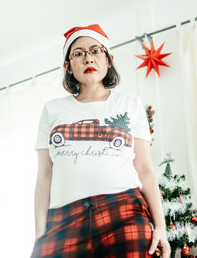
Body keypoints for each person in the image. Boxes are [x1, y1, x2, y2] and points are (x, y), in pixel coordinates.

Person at [30, 24, 171, 258]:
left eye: (96, 51)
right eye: (78, 53)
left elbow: (145, 168)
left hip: (124, 211)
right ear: (68, 66)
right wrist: (39, 234)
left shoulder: (130, 104)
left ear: (109, 59)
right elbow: (44, 174)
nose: (88, 58)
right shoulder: (52, 110)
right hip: (64, 219)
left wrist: (161, 227)